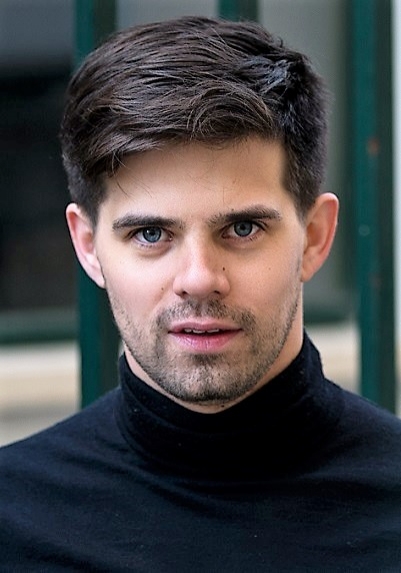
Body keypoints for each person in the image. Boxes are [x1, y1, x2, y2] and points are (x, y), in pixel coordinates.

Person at [1, 16, 401, 572]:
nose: (198, 277)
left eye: (242, 228)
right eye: (150, 234)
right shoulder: (13, 517)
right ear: (88, 246)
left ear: (314, 237)